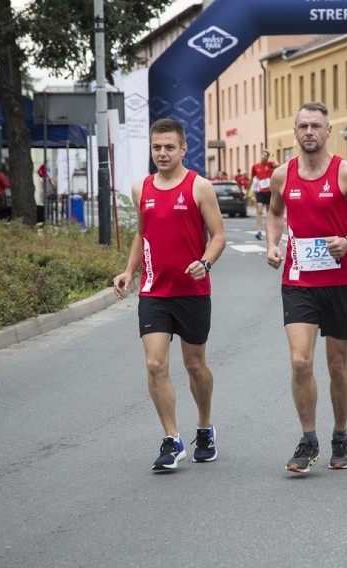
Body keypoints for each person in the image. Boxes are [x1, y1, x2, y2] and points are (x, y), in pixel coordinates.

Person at [266, 102, 347, 474]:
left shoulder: (346, 174)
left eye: (316, 125)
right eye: (303, 126)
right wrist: (273, 244)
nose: (309, 132)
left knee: (337, 365)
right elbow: (275, 212)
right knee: (300, 360)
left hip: (340, 280)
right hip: (299, 281)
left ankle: (341, 434)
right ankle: (309, 438)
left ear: (329, 130)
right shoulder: (282, 175)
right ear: (295, 132)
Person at [113, 118, 227, 473]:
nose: (162, 153)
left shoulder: (200, 187)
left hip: (192, 291)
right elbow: (141, 235)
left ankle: (205, 427)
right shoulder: (140, 189)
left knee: (195, 366)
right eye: (156, 147)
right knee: (154, 364)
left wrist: (205, 263)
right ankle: (172, 438)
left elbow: (219, 235)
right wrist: (129, 272)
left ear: (183, 149)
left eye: (168, 147)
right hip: (154, 291)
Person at [251, 149, 277, 240]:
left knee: (269, 212)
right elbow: (252, 178)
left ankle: (269, 229)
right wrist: (249, 192)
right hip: (259, 191)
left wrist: (273, 156)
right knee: (259, 210)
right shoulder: (255, 166)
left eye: (265, 156)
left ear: (267, 157)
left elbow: (278, 165)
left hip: (269, 191)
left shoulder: (269, 164)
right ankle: (259, 230)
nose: (263, 157)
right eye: (262, 155)